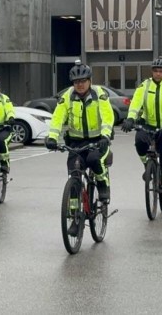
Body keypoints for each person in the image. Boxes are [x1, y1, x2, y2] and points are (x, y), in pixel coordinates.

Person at [45, 61, 114, 235]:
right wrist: (52, 137)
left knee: (93, 160)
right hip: (76, 143)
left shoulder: (100, 95)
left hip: (98, 140)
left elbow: (107, 116)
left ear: (90, 81)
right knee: (74, 175)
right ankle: (76, 218)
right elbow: (57, 117)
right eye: (76, 82)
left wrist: (106, 135)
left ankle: (103, 185)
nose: (80, 85)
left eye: (83, 81)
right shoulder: (67, 96)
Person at [121, 56, 162, 206]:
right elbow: (136, 103)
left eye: (161, 71)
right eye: (155, 71)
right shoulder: (145, 85)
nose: (158, 74)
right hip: (148, 125)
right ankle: (148, 167)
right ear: (152, 71)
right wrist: (131, 118)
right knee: (139, 143)